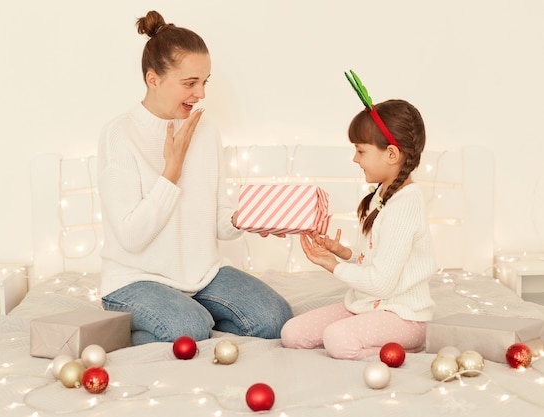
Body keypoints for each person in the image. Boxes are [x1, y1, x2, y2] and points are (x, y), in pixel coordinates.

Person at [97, 10, 293, 346]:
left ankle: (184, 322)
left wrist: (244, 218)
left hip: (203, 276)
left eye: (205, 82)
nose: (201, 94)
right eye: (190, 83)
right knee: (187, 328)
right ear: (153, 79)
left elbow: (217, 219)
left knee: (276, 319)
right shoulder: (121, 134)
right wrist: (171, 172)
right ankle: (173, 322)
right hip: (136, 279)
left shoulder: (206, 130)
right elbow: (131, 237)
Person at [280, 75, 436, 360]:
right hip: (366, 306)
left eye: (360, 151)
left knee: (337, 339)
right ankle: (363, 337)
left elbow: (382, 284)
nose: (355, 159)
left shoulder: (405, 205)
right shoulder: (382, 194)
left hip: (403, 316)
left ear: (391, 154)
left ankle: (405, 349)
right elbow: (377, 260)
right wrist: (344, 253)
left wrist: (333, 266)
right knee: (292, 333)